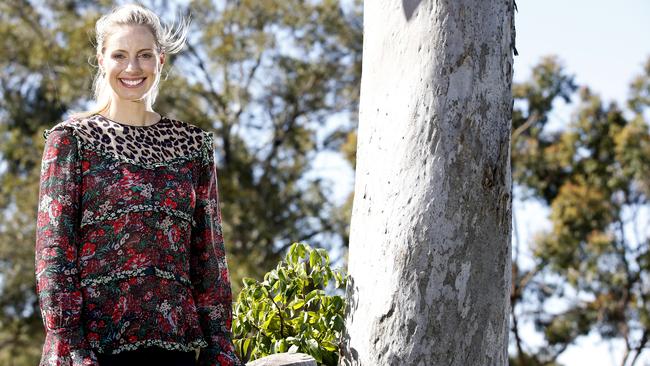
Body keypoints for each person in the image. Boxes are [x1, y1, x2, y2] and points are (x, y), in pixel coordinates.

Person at [35, 3, 242, 366]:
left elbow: (209, 259)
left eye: (144, 55)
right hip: (94, 352)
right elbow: (54, 256)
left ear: (160, 60)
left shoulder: (194, 145)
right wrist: (70, 347)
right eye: (120, 55)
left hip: (175, 351)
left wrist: (219, 346)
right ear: (101, 60)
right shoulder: (71, 140)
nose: (133, 68)